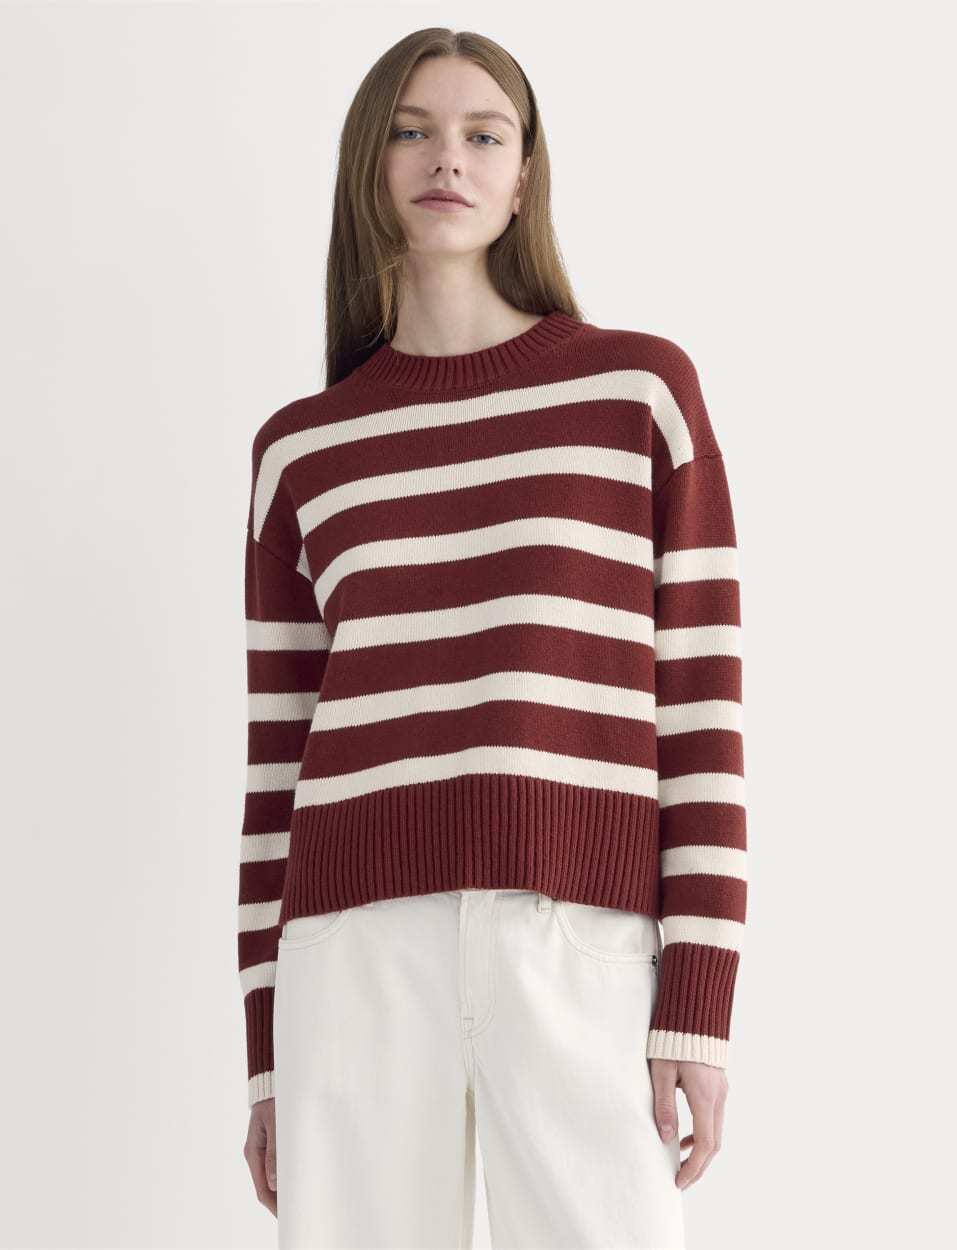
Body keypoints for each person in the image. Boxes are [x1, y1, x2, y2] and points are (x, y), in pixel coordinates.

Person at [237, 27, 746, 1250]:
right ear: (369, 167)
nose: (446, 159)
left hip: (576, 938)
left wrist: (696, 1002)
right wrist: (264, 1059)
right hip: (352, 951)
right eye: (411, 130)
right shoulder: (302, 450)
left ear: (524, 176)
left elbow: (701, 712)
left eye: (482, 134)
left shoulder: (637, 394)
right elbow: (275, 766)